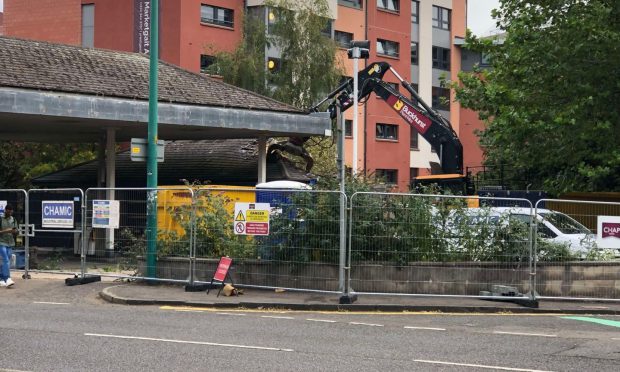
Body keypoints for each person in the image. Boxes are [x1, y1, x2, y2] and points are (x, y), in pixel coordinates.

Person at [0, 204, 18, 288]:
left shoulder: (13, 219)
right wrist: (7, 231)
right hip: (2, 242)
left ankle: (1, 278)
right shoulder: (1, 219)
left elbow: (16, 231)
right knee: (6, 260)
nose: (10, 213)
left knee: (6, 261)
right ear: (5, 210)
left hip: (10, 243)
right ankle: (8, 278)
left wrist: (14, 231)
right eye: (9, 211)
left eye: (11, 212)